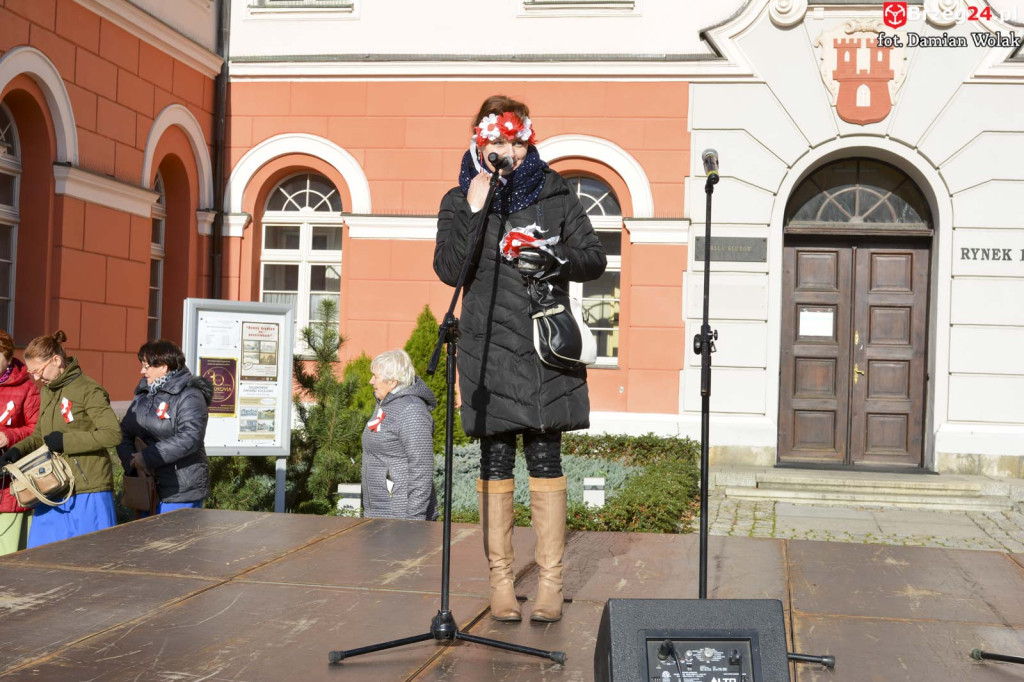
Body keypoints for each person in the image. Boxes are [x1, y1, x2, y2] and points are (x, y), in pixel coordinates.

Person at [433, 95, 606, 623]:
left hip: (541, 344)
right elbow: (448, 271)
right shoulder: (458, 198)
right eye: (494, 142)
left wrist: (553, 255)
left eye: (512, 141)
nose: (503, 151)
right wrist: (475, 206)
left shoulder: (555, 194)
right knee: (495, 460)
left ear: (525, 141)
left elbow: (593, 259)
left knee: (546, 457)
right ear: (478, 143)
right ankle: (501, 582)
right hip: (487, 349)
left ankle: (551, 582)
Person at [0, 331, 121, 548]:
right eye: (31, 372)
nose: (36, 378)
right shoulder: (48, 391)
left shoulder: (89, 390)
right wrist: (15, 452)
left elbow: (112, 433)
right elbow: (39, 435)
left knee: (90, 560)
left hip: (88, 490)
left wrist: (66, 442)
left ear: (56, 360)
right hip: (51, 488)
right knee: (42, 558)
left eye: (38, 371)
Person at [116, 340, 212, 514]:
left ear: (164, 367)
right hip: (146, 487)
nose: (142, 371)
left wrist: (147, 457)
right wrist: (133, 464)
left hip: (180, 490)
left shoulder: (190, 395)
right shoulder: (144, 394)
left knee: (176, 541)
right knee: (147, 540)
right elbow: (124, 432)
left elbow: (190, 437)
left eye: (147, 366)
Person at [361, 350, 438, 521]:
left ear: (393, 382)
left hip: (402, 516)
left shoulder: (412, 410)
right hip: (379, 510)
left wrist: (414, 519)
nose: (371, 381)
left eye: (376, 376)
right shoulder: (385, 405)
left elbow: (421, 468)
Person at [0, 330, 40, 554]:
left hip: (8, 487)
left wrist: (9, 436)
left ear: (7, 359)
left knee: (7, 555)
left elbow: (37, 430)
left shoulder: (26, 388)